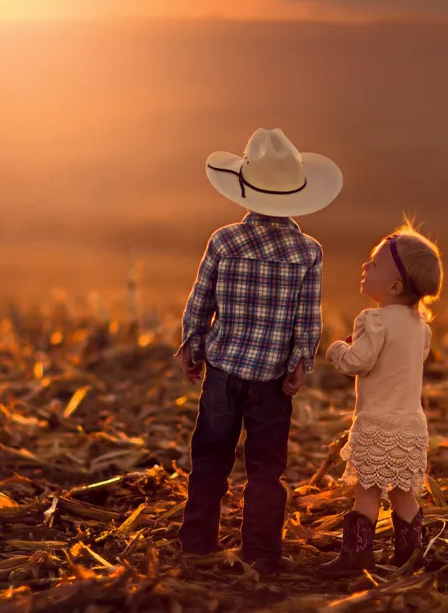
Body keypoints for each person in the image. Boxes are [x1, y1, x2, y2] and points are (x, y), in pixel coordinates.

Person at [176, 127, 343, 577]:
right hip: (271, 382)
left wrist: (193, 345)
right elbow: (307, 320)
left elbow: (200, 301)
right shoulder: (308, 252)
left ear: (245, 187)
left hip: (223, 372)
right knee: (267, 470)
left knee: (210, 458)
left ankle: (196, 545)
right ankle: (262, 554)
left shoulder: (224, 241)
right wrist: (299, 363)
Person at [321, 221, 442, 575]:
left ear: (394, 285)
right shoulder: (421, 327)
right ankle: (410, 555)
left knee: (369, 490)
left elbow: (359, 362)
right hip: (411, 424)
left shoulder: (373, 320)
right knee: (405, 493)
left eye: (373, 265)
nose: (364, 267)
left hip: (377, 422)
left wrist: (337, 349)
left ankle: (357, 555)